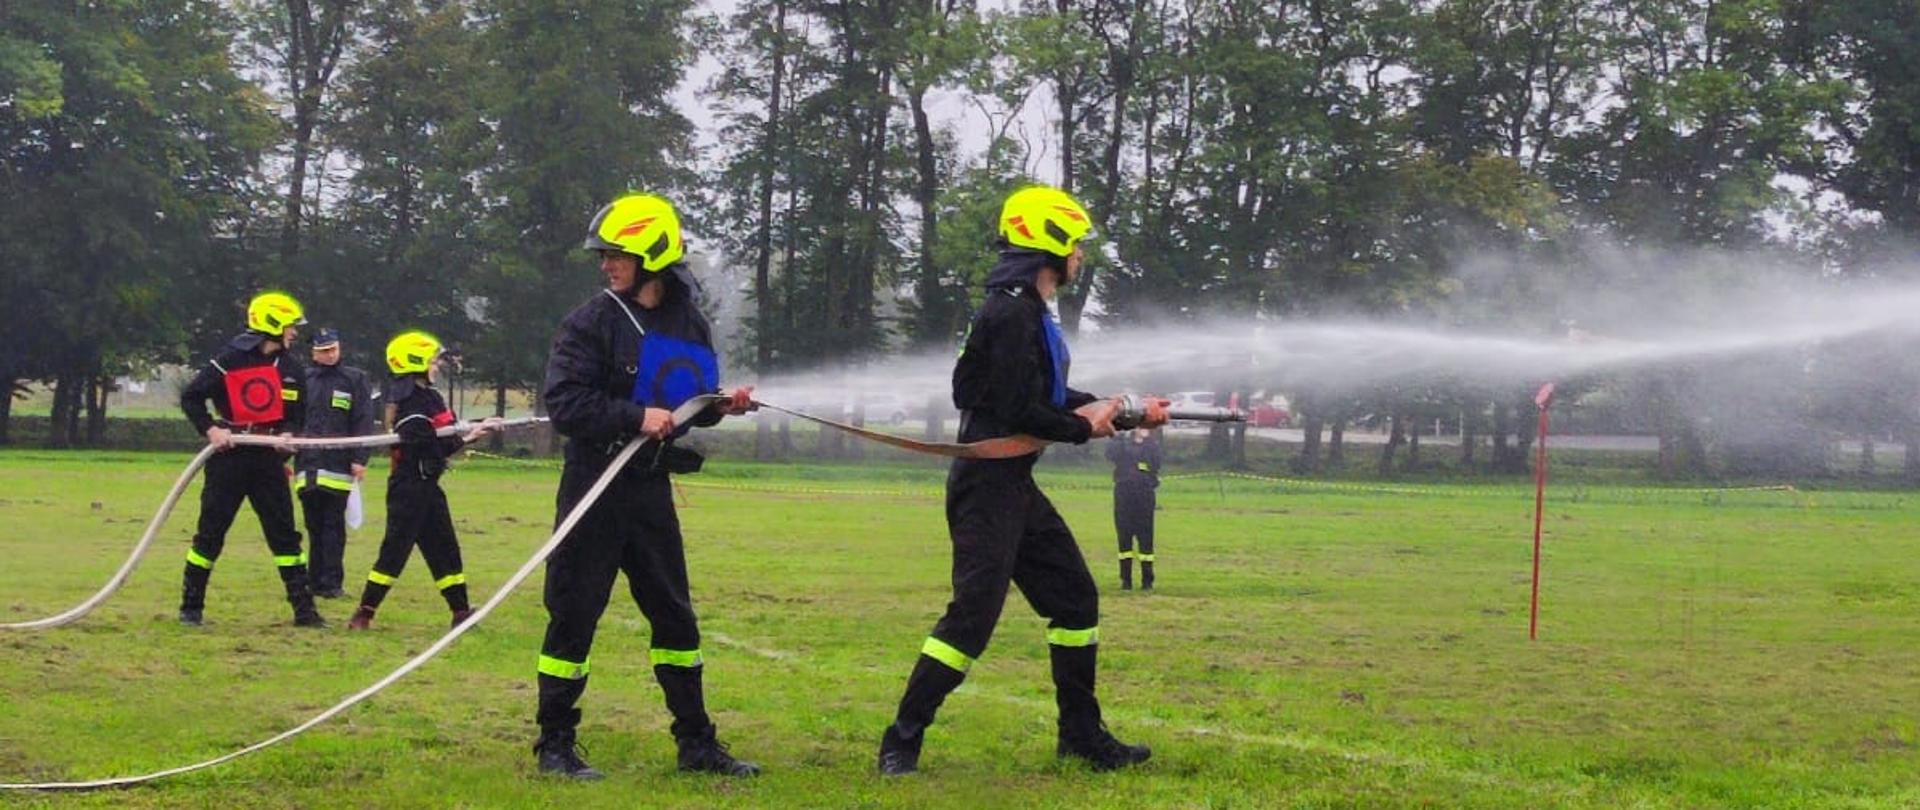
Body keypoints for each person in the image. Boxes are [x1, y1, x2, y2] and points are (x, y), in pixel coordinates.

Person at [876, 185, 1169, 776]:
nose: (1081, 255)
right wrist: (1085, 430)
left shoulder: (1026, 310)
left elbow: (1046, 397)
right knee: (971, 621)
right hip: (988, 490)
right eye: (1077, 243)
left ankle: (1081, 736)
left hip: (1013, 487)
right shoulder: (1011, 311)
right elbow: (1018, 410)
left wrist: (1124, 407)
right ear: (1051, 245)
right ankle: (901, 741)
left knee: (1076, 600)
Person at [531, 192, 759, 781]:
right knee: (574, 614)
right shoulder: (591, 322)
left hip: (650, 492)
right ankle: (555, 746)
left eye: (617, 254)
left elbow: (690, 403)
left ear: (652, 256)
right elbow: (564, 402)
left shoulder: (688, 322)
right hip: (595, 486)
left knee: (675, 620)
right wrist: (635, 418)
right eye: (604, 255)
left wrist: (721, 404)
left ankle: (697, 745)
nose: (606, 264)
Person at [177, 291, 324, 628]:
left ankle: (305, 611)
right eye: (290, 326)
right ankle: (191, 607)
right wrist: (211, 429)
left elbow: (296, 414)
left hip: (267, 461)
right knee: (211, 532)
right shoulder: (230, 359)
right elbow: (192, 397)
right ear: (272, 325)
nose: (295, 333)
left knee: (285, 535)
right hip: (229, 457)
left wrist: (288, 435)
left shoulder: (291, 368)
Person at [345, 331, 499, 630]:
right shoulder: (409, 404)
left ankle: (461, 612)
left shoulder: (430, 396)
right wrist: (469, 439)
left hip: (428, 485)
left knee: (445, 549)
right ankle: (363, 614)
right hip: (409, 489)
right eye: (432, 361)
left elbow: (447, 433)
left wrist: (474, 429)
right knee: (395, 553)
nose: (437, 366)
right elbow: (428, 447)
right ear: (415, 362)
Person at [296, 327, 375, 599]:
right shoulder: (303, 380)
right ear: (313, 352)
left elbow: (363, 420)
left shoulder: (354, 379)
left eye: (333, 349)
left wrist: (359, 458)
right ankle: (313, 580)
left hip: (339, 463)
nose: (330, 355)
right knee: (312, 525)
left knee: (333, 525)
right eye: (324, 351)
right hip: (307, 464)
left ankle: (331, 582)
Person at [1105, 427, 1162, 590]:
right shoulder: (1122, 443)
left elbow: (1156, 463)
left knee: (1145, 538)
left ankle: (1147, 580)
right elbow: (1111, 455)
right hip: (1124, 494)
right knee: (1124, 536)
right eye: (1139, 426)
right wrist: (1117, 437)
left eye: (1145, 426)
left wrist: (1148, 442)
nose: (1141, 429)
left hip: (1144, 494)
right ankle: (1126, 579)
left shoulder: (1152, 445)